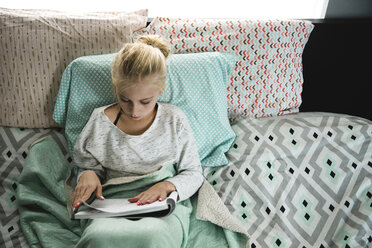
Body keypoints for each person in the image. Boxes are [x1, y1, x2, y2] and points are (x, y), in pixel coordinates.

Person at [71, 35, 204, 247]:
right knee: (98, 238)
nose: (135, 111)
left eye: (145, 102)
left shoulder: (174, 120)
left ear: (161, 89)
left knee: (152, 236)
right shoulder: (99, 120)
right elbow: (86, 166)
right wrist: (87, 174)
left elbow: (194, 172)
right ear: (116, 87)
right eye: (125, 100)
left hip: (161, 206)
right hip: (112, 203)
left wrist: (167, 185)